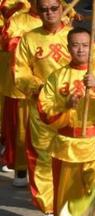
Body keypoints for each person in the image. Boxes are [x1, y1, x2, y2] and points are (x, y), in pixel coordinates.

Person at [15, 0, 95, 216]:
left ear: (62, 8)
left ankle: (82, 208)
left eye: (54, 8)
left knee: (77, 164)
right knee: (43, 159)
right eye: (44, 9)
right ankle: (49, 207)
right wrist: (37, 89)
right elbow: (20, 74)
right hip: (45, 109)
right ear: (37, 11)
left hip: (79, 112)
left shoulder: (75, 36)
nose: (49, 13)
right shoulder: (29, 39)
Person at [37, 26, 95, 216]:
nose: (81, 50)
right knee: (68, 205)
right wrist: (66, 104)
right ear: (68, 48)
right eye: (76, 45)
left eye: (85, 45)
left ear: (91, 48)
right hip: (68, 146)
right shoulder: (57, 77)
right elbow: (44, 110)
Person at [0, 0, 41, 188]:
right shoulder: (19, 19)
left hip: (51, 90)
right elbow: (6, 41)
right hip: (21, 87)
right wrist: (32, 41)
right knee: (20, 132)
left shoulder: (63, 23)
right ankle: (21, 168)